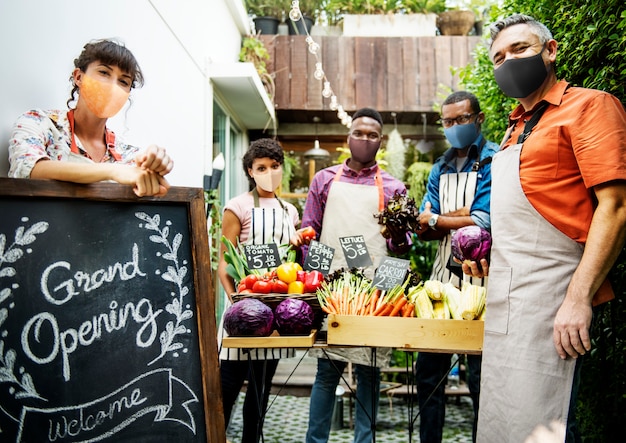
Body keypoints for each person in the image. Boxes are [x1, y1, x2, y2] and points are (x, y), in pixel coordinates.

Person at [461, 14, 626, 443]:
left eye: (519, 49)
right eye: (498, 57)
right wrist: (487, 259)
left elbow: (617, 207)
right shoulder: (514, 128)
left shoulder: (591, 106)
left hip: (554, 303)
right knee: (503, 424)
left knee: (542, 430)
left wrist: (578, 298)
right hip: (506, 302)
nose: (508, 62)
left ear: (550, 51)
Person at [302, 108, 409, 443]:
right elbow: (311, 233)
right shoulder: (324, 180)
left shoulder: (394, 187)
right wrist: (314, 286)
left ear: (380, 141)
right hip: (333, 287)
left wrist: (397, 234)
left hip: (377, 286)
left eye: (372, 135)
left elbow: (402, 248)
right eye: (359, 133)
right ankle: (315, 440)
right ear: (349, 137)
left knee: (370, 372)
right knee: (326, 373)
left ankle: (365, 440)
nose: (365, 139)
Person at [414, 90, 498, 443]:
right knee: (429, 375)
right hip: (440, 280)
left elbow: (484, 220)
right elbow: (423, 229)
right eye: (448, 122)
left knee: (481, 378)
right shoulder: (440, 166)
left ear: (478, 119)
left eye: (461, 119)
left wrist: (436, 217)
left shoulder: (496, 160)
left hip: (482, 281)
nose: (454, 127)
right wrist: (448, 219)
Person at [217, 138, 310, 443]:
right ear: (250, 171)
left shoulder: (290, 211)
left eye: (274, 166)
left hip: (273, 317)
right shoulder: (237, 206)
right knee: (227, 388)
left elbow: (289, 265)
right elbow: (224, 262)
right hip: (242, 314)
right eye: (261, 167)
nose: (269, 172)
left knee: (260, 392)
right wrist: (236, 305)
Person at [8, 39, 173, 196]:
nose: (113, 86)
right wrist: (113, 172)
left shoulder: (127, 156)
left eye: (123, 82)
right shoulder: (39, 123)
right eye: (104, 72)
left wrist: (153, 166)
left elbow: (149, 185)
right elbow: (29, 169)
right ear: (79, 77)